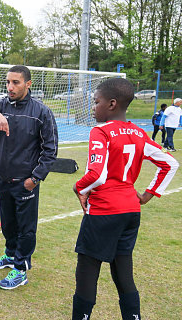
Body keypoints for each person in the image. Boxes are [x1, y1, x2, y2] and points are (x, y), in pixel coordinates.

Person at [71, 78, 179, 319]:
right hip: (131, 211)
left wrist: (79, 188)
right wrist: (147, 195)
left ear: (111, 104)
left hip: (104, 212)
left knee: (87, 273)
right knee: (123, 274)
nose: (93, 107)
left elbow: (96, 175)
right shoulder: (139, 132)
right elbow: (170, 163)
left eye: (96, 102)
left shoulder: (100, 131)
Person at [0, 65, 58, 289]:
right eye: (8, 82)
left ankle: (21, 268)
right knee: (8, 224)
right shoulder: (0, 104)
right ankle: (10, 255)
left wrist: (35, 178)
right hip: (2, 179)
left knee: (26, 228)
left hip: (26, 183)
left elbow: (50, 150)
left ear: (28, 84)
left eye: (15, 83)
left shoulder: (41, 112)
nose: (10, 87)